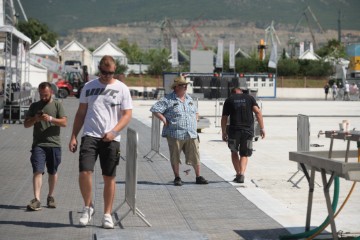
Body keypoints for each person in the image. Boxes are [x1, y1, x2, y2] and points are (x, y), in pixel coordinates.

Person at [68, 55, 133, 229]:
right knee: (85, 172)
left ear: (114, 71)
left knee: (109, 177)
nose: (106, 76)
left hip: (111, 138)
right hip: (90, 135)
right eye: (104, 73)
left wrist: (114, 131)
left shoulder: (122, 89)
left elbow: (127, 114)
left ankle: (107, 214)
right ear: (99, 70)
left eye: (110, 73)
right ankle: (88, 206)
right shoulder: (88, 87)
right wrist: (73, 135)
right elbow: (81, 113)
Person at [150, 76, 208, 186]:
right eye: (182, 85)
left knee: (196, 155)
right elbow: (155, 109)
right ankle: (177, 177)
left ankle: (198, 176)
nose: (185, 87)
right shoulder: (168, 99)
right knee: (175, 155)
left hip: (191, 133)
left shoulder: (189, 99)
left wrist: (196, 119)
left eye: (186, 85)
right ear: (176, 87)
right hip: (175, 133)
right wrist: (163, 119)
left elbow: (196, 111)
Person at [24, 82, 67, 211]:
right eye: (41, 95)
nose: (43, 97)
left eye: (46, 95)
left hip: (54, 144)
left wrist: (50, 119)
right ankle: (37, 199)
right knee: (38, 170)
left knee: (52, 171)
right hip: (39, 144)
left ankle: (50, 196)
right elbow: (26, 124)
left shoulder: (57, 105)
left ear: (51, 92)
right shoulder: (34, 106)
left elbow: (64, 122)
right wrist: (35, 119)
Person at [221, 87, 265, 183]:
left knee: (234, 151)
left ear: (232, 93)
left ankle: (238, 174)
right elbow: (257, 112)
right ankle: (241, 174)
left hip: (233, 131)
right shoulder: (249, 98)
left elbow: (224, 117)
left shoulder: (229, 100)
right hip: (248, 131)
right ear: (241, 91)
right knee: (244, 153)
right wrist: (262, 128)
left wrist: (224, 132)